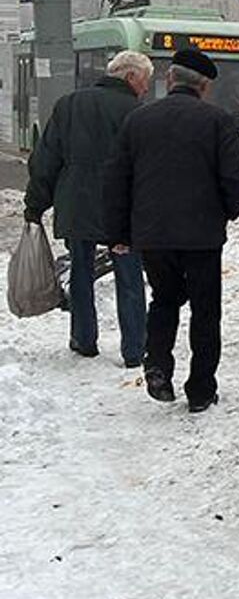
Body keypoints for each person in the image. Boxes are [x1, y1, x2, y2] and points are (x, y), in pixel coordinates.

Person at [105, 46, 239, 412]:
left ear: (170, 79)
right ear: (204, 86)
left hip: (153, 235)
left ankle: (157, 365)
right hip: (202, 237)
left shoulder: (138, 121)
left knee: (164, 298)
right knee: (206, 311)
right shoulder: (217, 121)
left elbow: (116, 181)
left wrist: (120, 234)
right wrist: (222, 212)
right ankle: (201, 389)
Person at [24, 50, 153, 366]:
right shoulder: (136, 112)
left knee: (81, 274)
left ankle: (84, 340)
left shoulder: (69, 105)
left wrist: (35, 204)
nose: (146, 88)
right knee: (130, 278)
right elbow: (147, 168)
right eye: (145, 81)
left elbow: (46, 160)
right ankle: (135, 349)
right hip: (121, 211)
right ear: (130, 76)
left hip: (77, 204)